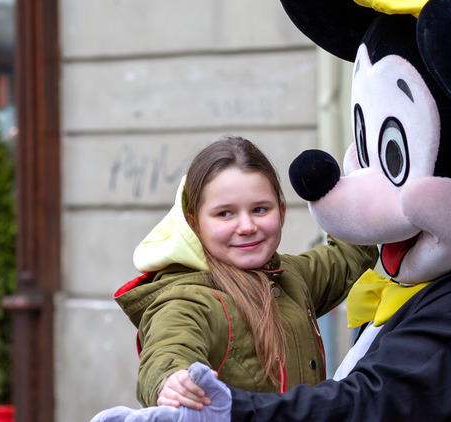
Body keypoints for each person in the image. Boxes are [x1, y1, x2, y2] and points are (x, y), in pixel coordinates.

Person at [112, 136, 377, 410]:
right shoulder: (189, 298)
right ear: (193, 223)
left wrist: (376, 179)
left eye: (260, 209)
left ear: (282, 212)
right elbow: (169, 346)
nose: (247, 226)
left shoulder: (292, 276)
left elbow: (350, 253)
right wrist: (170, 379)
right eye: (225, 214)